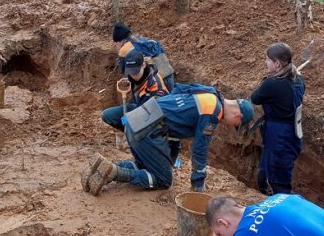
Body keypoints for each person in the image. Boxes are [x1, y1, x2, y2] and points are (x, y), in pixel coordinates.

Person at [82, 84, 253, 195]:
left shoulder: (208, 92)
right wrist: (198, 184)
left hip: (137, 119)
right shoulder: (213, 112)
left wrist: (169, 158)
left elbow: (177, 92)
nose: (230, 125)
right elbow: (200, 149)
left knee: (147, 167)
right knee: (163, 180)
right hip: (148, 130)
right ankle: (116, 173)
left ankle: (106, 167)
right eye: (235, 124)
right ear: (238, 115)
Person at [250, 42, 305, 195]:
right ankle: (263, 190)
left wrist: (268, 82)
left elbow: (255, 98)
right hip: (291, 132)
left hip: (279, 134)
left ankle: (283, 208)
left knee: (278, 178)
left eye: (268, 59)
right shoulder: (299, 81)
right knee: (269, 167)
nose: (265, 62)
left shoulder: (272, 84)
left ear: (277, 64)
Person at [100, 50, 169, 131]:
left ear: (143, 65)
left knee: (128, 122)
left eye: (135, 72)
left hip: (154, 117)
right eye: (130, 72)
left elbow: (155, 115)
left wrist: (128, 120)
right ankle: (130, 133)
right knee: (107, 115)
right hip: (140, 107)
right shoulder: (134, 76)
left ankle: (136, 136)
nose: (133, 76)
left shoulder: (155, 86)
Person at [113, 21, 176, 91]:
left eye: (117, 43)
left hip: (153, 83)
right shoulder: (149, 41)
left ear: (120, 40)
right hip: (169, 76)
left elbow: (126, 70)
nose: (117, 45)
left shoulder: (124, 50)